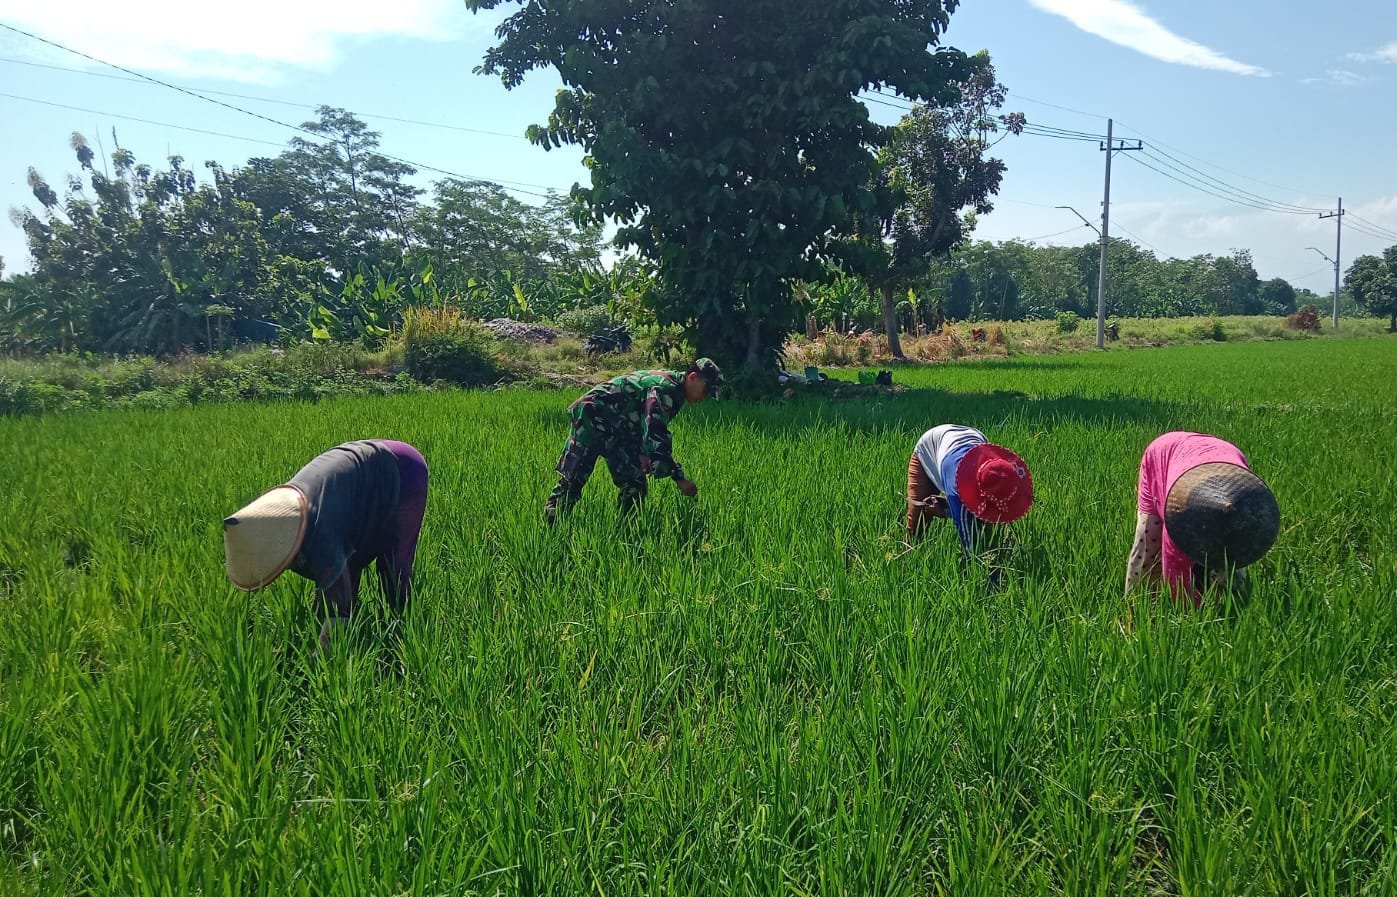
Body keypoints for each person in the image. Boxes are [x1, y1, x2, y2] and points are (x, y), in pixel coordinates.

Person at [223, 439, 429, 647]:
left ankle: (404, 636)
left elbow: (337, 595)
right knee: (348, 560)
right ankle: (370, 629)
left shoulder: (316, 530)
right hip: (358, 474)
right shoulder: (286, 519)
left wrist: (328, 650)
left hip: (403, 469)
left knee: (394, 567)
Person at [545, 359, 724, 523]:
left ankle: (626, 535)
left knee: (634, 484)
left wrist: (642, 453)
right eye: (705, 391)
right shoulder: (664, 389)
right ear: (692, 377)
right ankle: (551, 533)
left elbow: (639, 420)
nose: (704, 397)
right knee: (572, 482)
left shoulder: (676, 390)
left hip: (618, 429)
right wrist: (679, 478)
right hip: (592, 418)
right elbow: (655, 432)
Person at [1126, 431, 1279, 606]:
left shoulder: (1248, 503)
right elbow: (1176, 579)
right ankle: (1135, 609)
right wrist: (1195, 616)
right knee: (1148, 548)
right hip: (1163, 454)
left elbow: (1238, 559)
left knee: (1230, 568)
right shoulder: (1179, 516)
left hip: (1222, 454)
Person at [906, 424, 1034, 556]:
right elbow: (970, 546)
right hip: (930, 446)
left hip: (972, 437)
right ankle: (908, 558)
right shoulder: (956, 482)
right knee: (917, 522)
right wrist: (984, 569)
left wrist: (947, 511)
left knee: (986, 524)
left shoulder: (1006, 473)